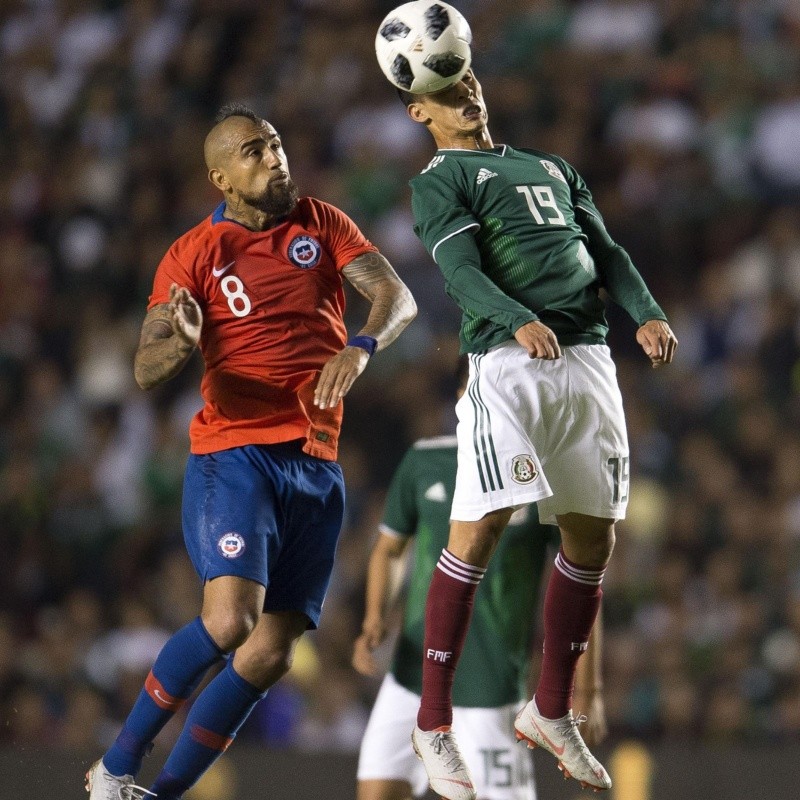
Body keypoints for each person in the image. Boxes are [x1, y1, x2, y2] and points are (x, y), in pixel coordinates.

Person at [85, 102, 417, 800]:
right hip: (236, 454)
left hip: (318, 464)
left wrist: (361, 347)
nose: (274, 158)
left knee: (268, 656)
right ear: (221, 177)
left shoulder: (321, 223)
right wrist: (181, 337)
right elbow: (145, 368)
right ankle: (116, 766)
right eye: (254, 152)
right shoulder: (192, 255)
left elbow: (395, 295)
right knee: (230, 622)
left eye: (275, 145)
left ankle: (162, 795)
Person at [396, 69, 677, 799]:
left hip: (586, 358)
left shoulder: (551, 166)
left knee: (593, 539)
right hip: (509, 362)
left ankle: (551, 709)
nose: (466, 95)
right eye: (444, 91)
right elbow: (458, 270)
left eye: (467, 80)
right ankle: (432, 723)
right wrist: (515, 316)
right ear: (417, 109)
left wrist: (644, 310)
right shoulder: (440, 179)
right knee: (482, 529)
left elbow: (607, 252)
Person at [352, 360, 607, 800]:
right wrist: (374, 616)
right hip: (411, 676)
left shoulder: (545, 475)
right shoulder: (424, 461)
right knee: (377, 793)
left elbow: (579, 587)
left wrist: (588, 688)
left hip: (491, 684)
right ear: (460, 398)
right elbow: (390, 549)